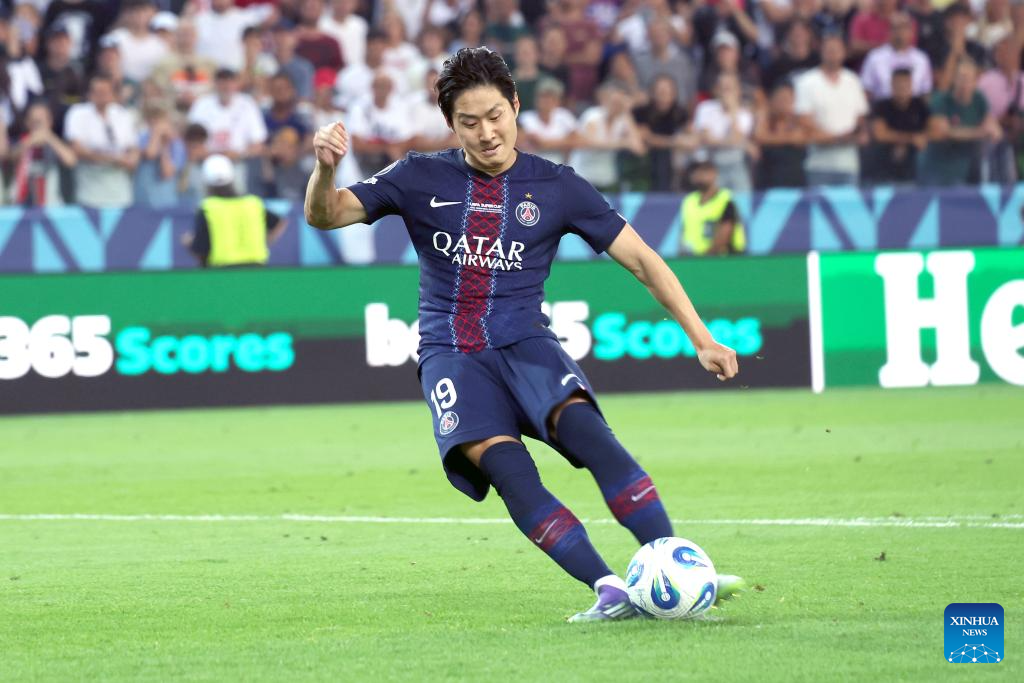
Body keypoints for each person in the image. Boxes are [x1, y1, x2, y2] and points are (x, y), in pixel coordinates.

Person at [304, 46, 743, 622]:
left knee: (594, 439)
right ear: (450, 123)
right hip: (452, 358)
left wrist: (702, 337)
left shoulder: (557, 185)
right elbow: (326, 214)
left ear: (515, 106)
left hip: (528, 346)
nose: (486, 133)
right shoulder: (416, 176)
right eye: (469, 122)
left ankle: (678, 567)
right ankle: (609, 589)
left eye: (495, 116)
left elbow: (643, 260)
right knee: (511, 474)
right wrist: (326, 169)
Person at [794, 33, 869, 186]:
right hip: (818, 163)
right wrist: (836, 139)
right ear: (821, 52)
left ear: (844, 52)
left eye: (837, 50)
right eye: (829, 50)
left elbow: (860, 117)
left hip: (848, 163)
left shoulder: (852, 81)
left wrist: (856, 134)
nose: (833, 54)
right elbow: (804, 120)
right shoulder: (807, 81)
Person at [189, 154, 287, 267]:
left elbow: (200, 251)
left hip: (223, 271)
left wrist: (189, 243)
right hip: (257, 269)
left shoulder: (208, 207)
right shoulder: (253, 204)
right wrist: (264, 242)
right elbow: (280, 222)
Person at [918, 58, 1001, 186]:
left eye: (968, 79)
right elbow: (942, 132)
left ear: (975, 81)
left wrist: (993, 130)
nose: (964, 83)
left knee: (996, 149)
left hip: (968, 164)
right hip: (938, 165)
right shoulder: (940, 100)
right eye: (961, 78)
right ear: (954, 79)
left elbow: (993, 128)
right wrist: (979, 133)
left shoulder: (979, 99)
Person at [63, 74, 139, 207]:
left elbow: (133, 147)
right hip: (89, 190)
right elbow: (77, 149)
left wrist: (132, 160)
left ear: (112, 94)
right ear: (89, 94)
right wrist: (113, 159)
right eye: (97, 92)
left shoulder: (122, 115)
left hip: (119, 190)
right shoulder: (78, 113)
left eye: (105, 92)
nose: (102, 96)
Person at [10, 101, 78, 206]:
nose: (38, 125)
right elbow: (10, 158)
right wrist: (29, 142)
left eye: (41, 121)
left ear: (50, 121)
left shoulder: (57, 143)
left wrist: (49, 137)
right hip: (23, 203)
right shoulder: (21, 140)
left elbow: (71, 161)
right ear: (27, 122)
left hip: (52, 203)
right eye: (34, 121)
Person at [869, 68, 929, 184]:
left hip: (914, 170)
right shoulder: (882, 106)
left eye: (905, 84)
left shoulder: (920, 105)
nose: (902, 87)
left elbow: (934, 130)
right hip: (883, 168)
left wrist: (923, 137)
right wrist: (911, 139)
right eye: (898, 84)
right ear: (892, 85)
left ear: (911, 85)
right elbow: (880, 134)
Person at [859, 11, 932, 100]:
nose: (900, 32)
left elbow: (925, 92)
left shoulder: (921, 59)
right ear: (888, 31)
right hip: (882, 106)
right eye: (895, 28)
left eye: (904, 28)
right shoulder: (875, 57)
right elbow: (867, 90)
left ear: (912, 32)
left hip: (914, 107)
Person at [680, 160, 746, 256]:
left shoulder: (725, 199)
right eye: (696, 171)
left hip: (723, 258)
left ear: (714, 173)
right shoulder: (689, 201)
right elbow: (684, 233)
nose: (700, 174)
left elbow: (725, 231)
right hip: (693, 258)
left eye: (704, 170)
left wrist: (708, 256)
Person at [753, 82, 808, 189]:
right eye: (781, 99)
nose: (784, 103)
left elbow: (799, 138)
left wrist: (772, 139)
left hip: (795, 182)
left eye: (788, 99)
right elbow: (759, 136)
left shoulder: (797, 121)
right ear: (772, 100)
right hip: (768, 183)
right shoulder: (766, 120)